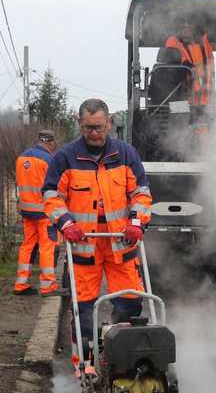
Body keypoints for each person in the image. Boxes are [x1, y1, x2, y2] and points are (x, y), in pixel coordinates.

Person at [43, 99, 152, 376]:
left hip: (121, 245)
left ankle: (123, 359)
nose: (94, 132)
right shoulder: (65, 158)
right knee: (84, 309)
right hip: (83, 247)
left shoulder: (126, 154)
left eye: (100, 127)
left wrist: (136, 223)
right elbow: (52, 197)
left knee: (130, 304)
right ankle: (86, 365)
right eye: (89, 127)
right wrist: (67, 223)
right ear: (80, 124)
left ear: (109, 124)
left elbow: (141, 193)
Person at [14, 130, 64, 296]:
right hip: (45, 212)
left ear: (37, 140)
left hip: (27, 211)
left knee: (28, 245)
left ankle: (21, 284)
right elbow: (56, 186)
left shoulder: (21, 159)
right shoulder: (49, 160)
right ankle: (48, 285)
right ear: (52, 144)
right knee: (48, 247)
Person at [164, 20, 214, 109]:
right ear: (179, 28)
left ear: (193, 27)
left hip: (203, 88)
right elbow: (176, 57)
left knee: (203, 118)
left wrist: (211, 78)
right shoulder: (173, 41)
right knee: (181, 118)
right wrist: (191, 67)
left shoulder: (203, 41)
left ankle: (201, 121)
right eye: (183, 27)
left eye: (188, 27)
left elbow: (210, 60)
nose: (185, 30)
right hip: (181, 88)